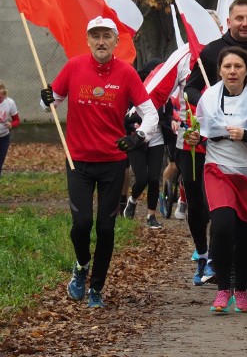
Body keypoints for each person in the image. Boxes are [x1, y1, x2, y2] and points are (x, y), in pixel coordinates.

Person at [40, 16, 159, 308]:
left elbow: (151, 113)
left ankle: (97, 288)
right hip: (77, 160)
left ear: (116, 41)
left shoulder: (127, 73)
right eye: (96, 36)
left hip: (112, 162)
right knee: (81, 224)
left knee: (105, 228)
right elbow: (50, 104)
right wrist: (45, 99)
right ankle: (81, 266)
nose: (101, 41)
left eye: (107, 36)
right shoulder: (74, 66)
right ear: (88, 40)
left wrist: (138, 137)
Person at [185, 0, 247, 300]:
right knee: (223, 221)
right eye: (239, 18)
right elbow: (192, 86)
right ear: (229, 21)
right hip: (220, 151)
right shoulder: (212, 51)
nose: (244, 23)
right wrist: (207, 111)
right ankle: (223, 275)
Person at [123, 58, 169, 229]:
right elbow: (124, 116)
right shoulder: (134, 89)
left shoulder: (163, 93)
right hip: (136, 140)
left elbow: (167, 115)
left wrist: (171, 121)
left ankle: (151, 215)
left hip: (156, 139)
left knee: (153, 178)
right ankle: (132, 201)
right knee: (141, 178)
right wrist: (132, 124)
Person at [0, 81, 20, 178]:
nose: (0, 99)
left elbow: (17, 120)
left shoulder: (10, 102)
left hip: (3, 137)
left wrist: (11, 124)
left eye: (1, 97)